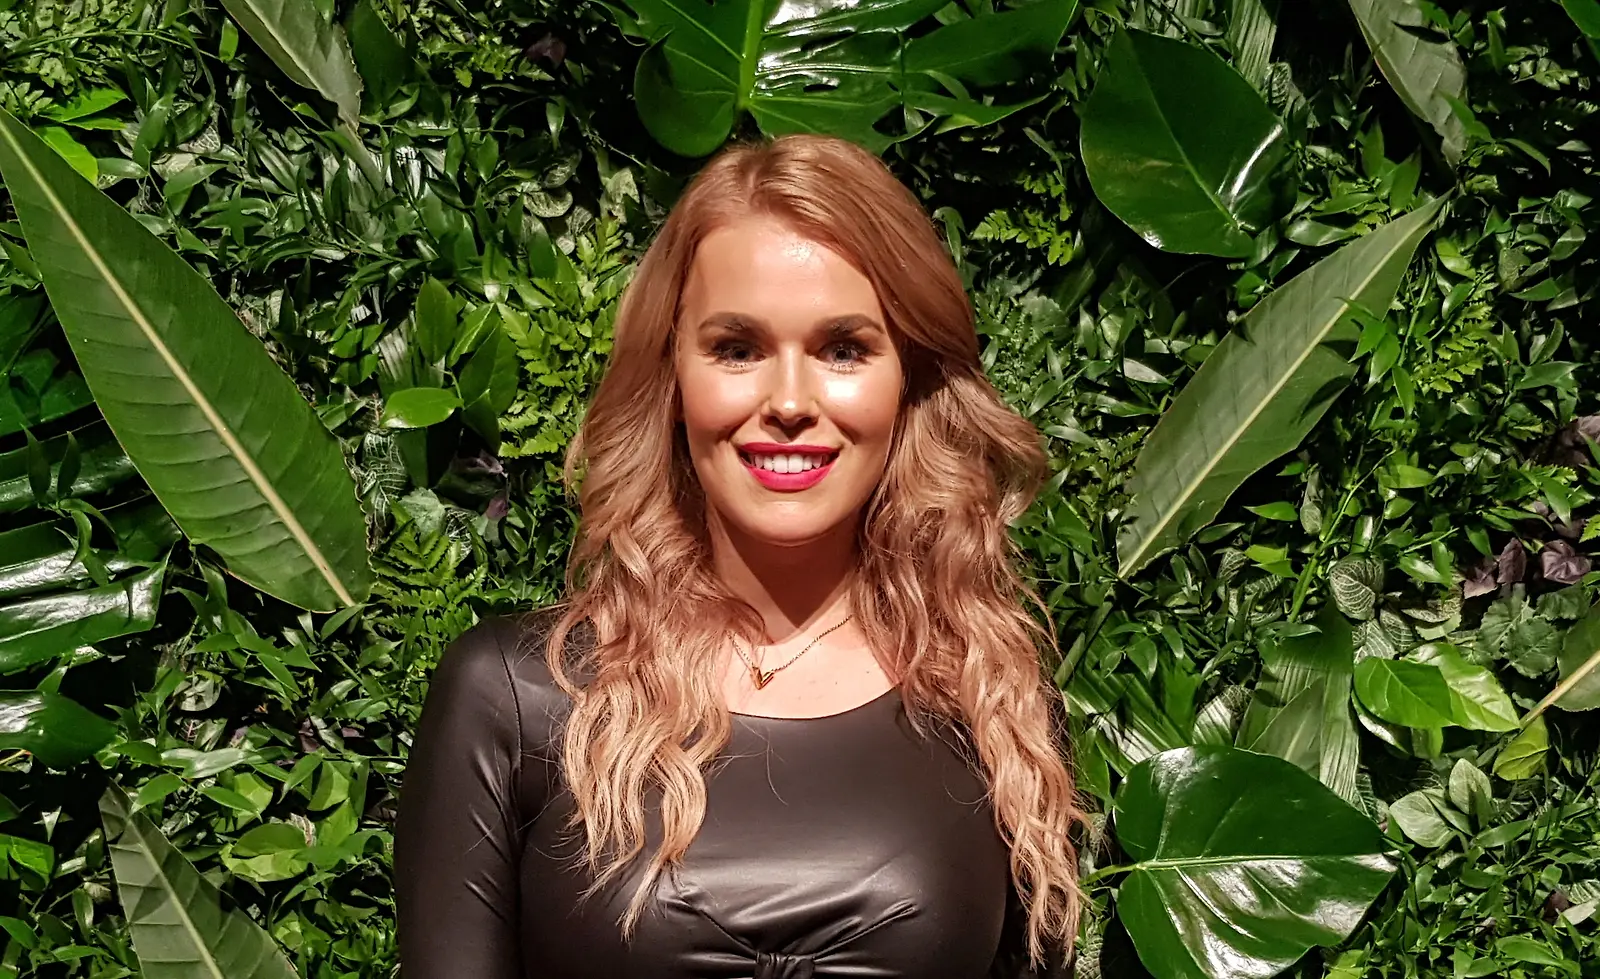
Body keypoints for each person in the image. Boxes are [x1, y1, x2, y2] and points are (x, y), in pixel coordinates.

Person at [394, 133, 1086, 979]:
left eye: (843, 349)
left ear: (908, 378)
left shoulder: (992, 695)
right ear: (674, 376)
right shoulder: (517, 697)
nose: (789, 402)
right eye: (737, 349)